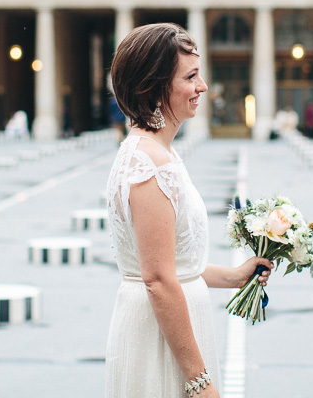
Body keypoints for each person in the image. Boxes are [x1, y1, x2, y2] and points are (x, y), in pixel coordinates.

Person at [105, 23, 272, 398]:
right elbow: (159, 281)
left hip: (166, 332)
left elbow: (172, 264)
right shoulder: (149, 162)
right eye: (191, 76)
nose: (203, 87)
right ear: (156, 85)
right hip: (161, 344)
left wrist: (234, 276)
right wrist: (200, 383)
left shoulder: (156, 153)